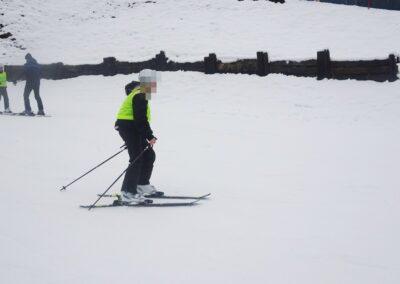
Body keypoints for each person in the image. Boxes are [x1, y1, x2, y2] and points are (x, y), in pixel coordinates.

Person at [114, 69, 160, 204]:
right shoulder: (140, 94)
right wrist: (149, 136)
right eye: (152, 82)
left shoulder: (141, 93)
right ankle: (128, 192)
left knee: (148, 155)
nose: (154, 85)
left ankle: (141, 185)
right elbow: (140, 118)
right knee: (137, 158)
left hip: (133, 127)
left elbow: (140, 119)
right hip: (129, 127)